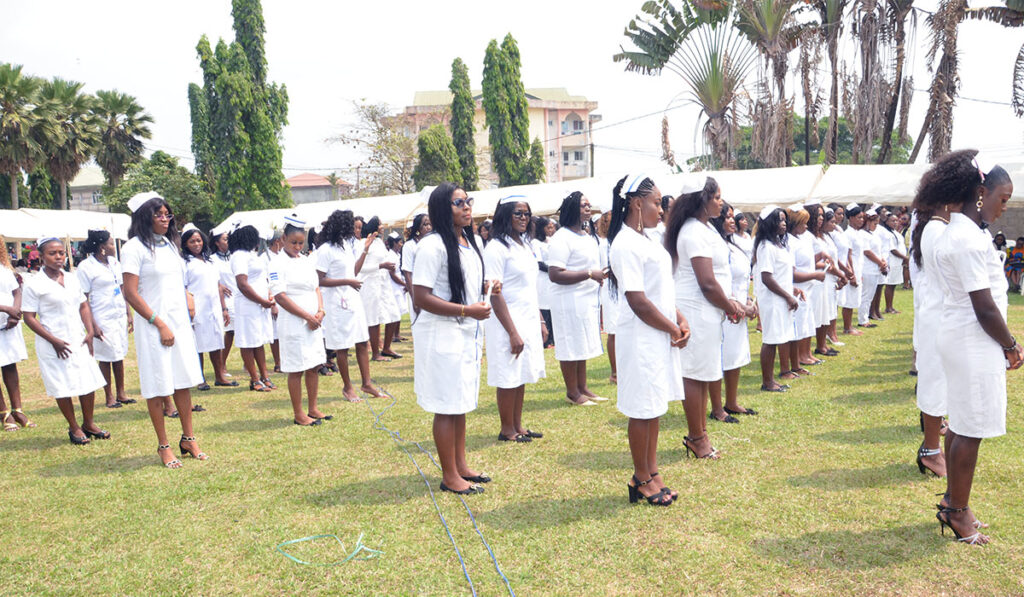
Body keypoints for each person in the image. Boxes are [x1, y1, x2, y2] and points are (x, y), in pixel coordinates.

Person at [929, 151, 1020, 545]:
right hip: (972, 336)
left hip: (964, 335)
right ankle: (958, 512)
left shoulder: (968, 230)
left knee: (962, 424)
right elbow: (983, 306)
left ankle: (954, 500)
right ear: (981, 192)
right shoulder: (965, 237)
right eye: (1003, 198)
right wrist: (1012, 345)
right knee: (971, 428)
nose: (1006, 206)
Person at [608, 174, 688, 506]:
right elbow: (638, 300)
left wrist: (679, 318)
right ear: (637, 204)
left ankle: (652, 472)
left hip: (657, 334)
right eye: (656, 202)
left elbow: (660, 290)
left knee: (654, 406)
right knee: (641, 409)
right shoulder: (624, 243)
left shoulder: (648, 240)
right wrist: (671, 327)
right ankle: (640, 477)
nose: (661, 208)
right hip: (641, 337)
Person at [412, 182, 492, 495]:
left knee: (459, 402)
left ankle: (461, 465)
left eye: (468, 201)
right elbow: (421, 297)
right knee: (446, 404)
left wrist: (487, 290)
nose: (467, 207)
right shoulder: (432, 246)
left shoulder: (471, 243)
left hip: (464, 332)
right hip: (442, 333)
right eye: (459, 202)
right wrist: (465, 309)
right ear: (444, 208)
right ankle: (449, 475)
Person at [121, 192, 207, 467]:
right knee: (158, 385)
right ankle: (164, 445)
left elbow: (176, 282)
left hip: (179, 322)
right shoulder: (133, 248)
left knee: (183, 381)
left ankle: (189, 438)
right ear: (144, 216)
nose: (164, 218)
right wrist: (159, 323)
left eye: (167, 214)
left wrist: (188, 298)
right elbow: (131, 294)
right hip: (154, 326)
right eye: (158, 214)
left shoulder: (171, 245)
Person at [664, 175, 744, 456]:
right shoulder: (694, 232)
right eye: (718, 197)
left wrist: (727, 304)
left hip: (707, 310)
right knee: (695, 374)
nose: (721, 203)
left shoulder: (704, 228)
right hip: (697, 309)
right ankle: (697, 437)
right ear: (704, 199)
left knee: (703, 372)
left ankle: (700, 434)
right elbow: (707, 282)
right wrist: (731, 307)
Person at [22, 237, 109, 445]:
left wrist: (89, 331)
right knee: (62, 385)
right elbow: (29, 317)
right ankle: (74, 426)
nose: (58, 257)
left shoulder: (71, 278)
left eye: (61, 252)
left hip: (78, 338)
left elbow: (83, 306)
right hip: (54, 342)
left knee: (87, 381)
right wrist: (53, 340)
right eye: (52, 253)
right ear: (41, 257)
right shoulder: (34, 284)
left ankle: (89, 423)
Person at [484, 195, 546, 443]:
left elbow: (530, 287)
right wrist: (512, 331)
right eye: (518, 213)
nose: (524, 218)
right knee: (508, 375)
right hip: (506, 320)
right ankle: (506, 429)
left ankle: (518, 425)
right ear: (506, 215)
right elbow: (495, 294)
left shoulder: (525, 244)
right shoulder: (496, 248)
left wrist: (540, 320)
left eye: (527, 213)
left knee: (521, 372)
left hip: (527, 316)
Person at [316, 210, 385, 400]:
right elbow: (319, 280)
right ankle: (348, 387)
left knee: (362, 342)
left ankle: (367, 384)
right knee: (343, 346)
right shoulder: (326, 250)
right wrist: (346, 282)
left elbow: (353, 271)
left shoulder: (345, 246)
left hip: (353, 299)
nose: (355, 230)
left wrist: (365, 250)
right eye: (351, 226)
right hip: (337, 303)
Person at [547, 191, 607, 406]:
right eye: (583, 205)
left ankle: (583, 387)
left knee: (582, 343)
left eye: (589, 204)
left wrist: (598, 274)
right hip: (568, 299)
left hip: (586, 299)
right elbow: (555, 274)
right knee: (571, 345)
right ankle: (573, 392)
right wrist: (590, 274)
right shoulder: (562, 237)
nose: (588, 208)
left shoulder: (587, 236)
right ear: (573, 208)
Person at [269, 216, 328, 426]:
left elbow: (316, 287)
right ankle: (299, 413)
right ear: (283, 239)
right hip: (294, 322)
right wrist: (306, 316)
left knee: (313, 364)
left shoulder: (305, 261)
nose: (297, 247)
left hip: (314, 321)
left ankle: (313, 407)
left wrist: (320, 311)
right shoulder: (276, 263)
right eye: (293, 242)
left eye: (300, 243)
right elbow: (280, 296)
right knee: (296, 368)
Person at [709, 202, 757, 419]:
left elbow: (740, 278)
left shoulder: (733, 244)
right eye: (726, 217)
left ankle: (731, 402)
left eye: (731, 217)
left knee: (734, 357)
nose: (731, 220)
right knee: (720, 358)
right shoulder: (714, 246)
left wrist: (747, 300)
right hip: (724, 309)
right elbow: (717, 281)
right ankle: (717, 408)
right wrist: (738, 307)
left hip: (739, 307)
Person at [76, 229, 134, 408]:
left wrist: (128, 312)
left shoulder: (115, 263)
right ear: (102, 247)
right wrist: (92, 325)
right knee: (106, 356)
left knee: (118, 353)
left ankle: (121, 393)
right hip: (100, 316)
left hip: (117, 314)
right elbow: (83, 298)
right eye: (110, 243)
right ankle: (109, 396)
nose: (113, 246)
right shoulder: (87, 267)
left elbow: (122, 288)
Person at [753, 206, 803, 392]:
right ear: (770, 224)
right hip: (773, 300)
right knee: (770, 340)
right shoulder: (766, 246)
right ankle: (768, 382)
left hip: (781, 298)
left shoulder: (779, 245)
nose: (784, 223)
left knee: (778, 338)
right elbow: (767, 278)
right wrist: (788, 296)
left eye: (785, 220)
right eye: (780, 220)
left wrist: (792, 291)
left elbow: (782, 275)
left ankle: (772, 380)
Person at [181, 226, 234, 390]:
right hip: (197, 309)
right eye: (192, 241)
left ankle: (219, 376)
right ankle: (200, 378)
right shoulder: (185, 263)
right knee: (199, 345)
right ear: (185, 244)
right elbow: (183, 287)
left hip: (214, 308)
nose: (196, 244)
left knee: (216, 342)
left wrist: (224, 309)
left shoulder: (209, 261)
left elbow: (218, 286)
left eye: (198, 240)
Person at [230, 225, 276, 392]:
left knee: (258, 341)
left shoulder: (251, 255)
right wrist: (261, 301)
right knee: (248, 342)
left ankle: (265, 376)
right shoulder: (239, 256)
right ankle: (254, 379)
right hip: (248, 305)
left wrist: (267, 296)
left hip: (259, 304)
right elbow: (242, 284)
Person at [786, 204, 825, 376]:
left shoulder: (804, 238)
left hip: (808, 287)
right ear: (794, 223)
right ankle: (799, 356)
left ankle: (806, 353)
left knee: (807, 323)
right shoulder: (789, 241)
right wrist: (814, 275)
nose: (806, 226)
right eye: (803, 223)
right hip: (799, 288)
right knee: (799, 325)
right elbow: (792, 273)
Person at [357, 216, 401, 361]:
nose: (382, 226)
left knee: (394, 314)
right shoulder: (363, 243)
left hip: (383, 283)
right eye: (380, 224)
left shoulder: (380, 243)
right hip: (370, 284)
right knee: (374, 320)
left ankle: (386, 348)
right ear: (374, 226)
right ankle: (376, 353)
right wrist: (381, 266)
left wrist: (387, 266)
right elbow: (360, 267)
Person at [0, 236, 33, 432]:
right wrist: (6, 309)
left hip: (9, 324)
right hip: (4, 316)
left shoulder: (5, 268)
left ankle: (18, 409)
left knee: (10, 366)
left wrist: (15, 311)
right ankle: (4, 413)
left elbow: (17, 292)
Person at [596, 210, 618, 383]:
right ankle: (615, 372)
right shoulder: (604, 244)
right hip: (610, 290)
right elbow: (603, 269)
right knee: (613, 331)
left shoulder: (617, 241)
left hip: (621, 289)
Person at [211, 231, 236, 378]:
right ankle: (222, 364)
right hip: (224, 300)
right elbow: (213, 277)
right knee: (229, 332)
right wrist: (219, 285)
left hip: (236, 297)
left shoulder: (233, 257)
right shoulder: (213, 259)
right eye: (225, 239)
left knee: (237, 332)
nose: (227, 242)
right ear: (217, 242)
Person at [859, 209, 889, 325]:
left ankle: (865, 317)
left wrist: (883, 261)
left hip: (875, 268)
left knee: (870, 295)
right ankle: (863, 319)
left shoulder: (873, 234)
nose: (876, 226)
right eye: (874, 223)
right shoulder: (863, 234)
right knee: (866, 295)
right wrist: (880, 263)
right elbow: (868, 252)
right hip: (868, 268)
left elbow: (878, 250)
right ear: (867, 222)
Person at [840, 204, 866, 334]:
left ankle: (849, 326)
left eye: (862, 218)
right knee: (849, 299)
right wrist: (852, 275)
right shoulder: (848, 234)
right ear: (850, 218)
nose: (861, 220)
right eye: (858, 217)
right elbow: (848, 255)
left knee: (854, 298)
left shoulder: (858, 233)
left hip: (858, 268)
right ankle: (847, 327)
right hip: (852, 269)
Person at [531, 216, 556, 348]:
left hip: (552, 280)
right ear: (542, 228)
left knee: (553, 308)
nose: (551, 230)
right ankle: (546, 340)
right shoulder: (535, 243)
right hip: (542, 278)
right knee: (544, 308)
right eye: (548, 227)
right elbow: (539, 263)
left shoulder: (551, 241)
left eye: (552, 227)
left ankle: (554, 338)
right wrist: (553, 270)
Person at [401, 212, 432, 316]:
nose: (429, 227)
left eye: (430, 224)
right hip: (418, 291)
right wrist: (415, 299)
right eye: (425, 224)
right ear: (418, 228)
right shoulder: (410, 246)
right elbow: (407, 273)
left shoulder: (434, 244)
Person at [265, 228, 285, 373]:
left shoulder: (281, 256)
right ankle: (278, 362)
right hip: (274, 298)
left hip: (284, 297)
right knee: (276, 333)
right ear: (278, 241)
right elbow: (268, 282)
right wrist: (273, 304)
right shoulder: (266, 258)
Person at [881, 213, 909, 314]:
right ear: (886, 222)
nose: (895, 223)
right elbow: (893, 250)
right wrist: (905, 258)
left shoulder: (895, 232)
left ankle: (891, 306)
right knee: (889, 284)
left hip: (898, 262)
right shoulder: (887, 234)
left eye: (897, 220)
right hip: (892, 261)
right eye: (893, 221)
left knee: (893, 285)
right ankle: (888, 307)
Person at [384, 232, 407, 352]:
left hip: (399, 284)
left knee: (400, 310)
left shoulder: (397, 255)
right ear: (394, 243)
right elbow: (392, 274)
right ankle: (393, 334)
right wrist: (404, 284)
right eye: (399, 242)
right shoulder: (391, 256)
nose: (401, 244)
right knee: (395, 310)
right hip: (394, 285)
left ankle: (397, 334)